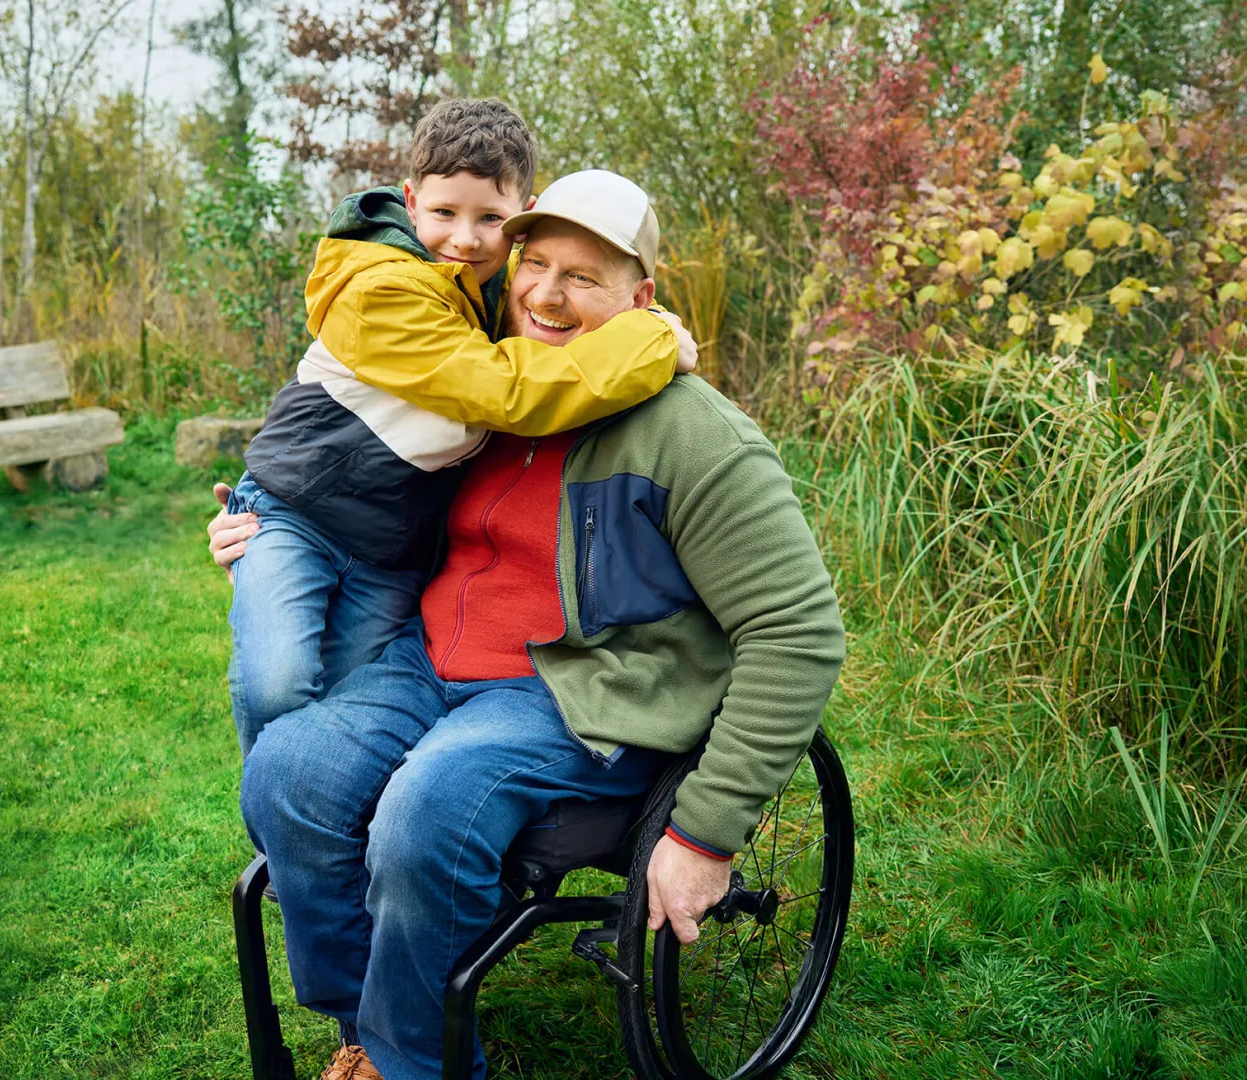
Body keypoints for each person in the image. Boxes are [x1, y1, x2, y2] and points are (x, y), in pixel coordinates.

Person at [210, 169, 847, 1080]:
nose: (547, 294)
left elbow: (798, 630)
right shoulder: (485, 390)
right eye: (534, 265)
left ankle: (412, 1066)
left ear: (642, 299)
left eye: (583, 277)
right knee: (286, 771)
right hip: (427, 661)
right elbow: (346, 479)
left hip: (576, 690)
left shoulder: (695, 435)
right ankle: (368, 1030)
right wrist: (263, 528)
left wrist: (706, 833)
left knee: (424, 812)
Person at [226, 99, 697, 756]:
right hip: (303, 514)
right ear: (411, 202)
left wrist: (639, 320)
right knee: (277, 684)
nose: (467, 239)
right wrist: (651, 343)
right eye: (445, 213)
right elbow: (507, 389)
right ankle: (271, 809)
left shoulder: (492, 292)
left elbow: (581, 307)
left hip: (390, 547)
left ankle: (325, 803)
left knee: (345, 702)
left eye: (491, 219)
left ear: (521, 217)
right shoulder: (382, 290)